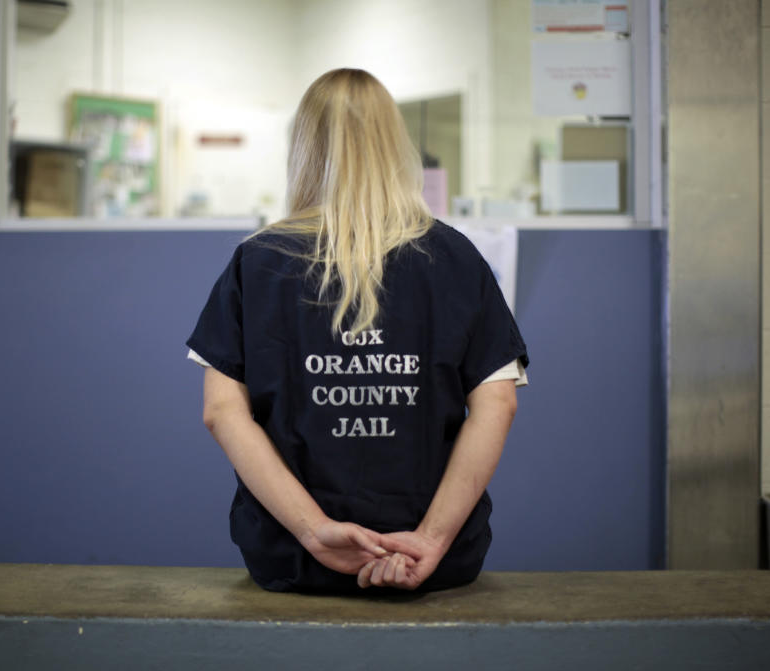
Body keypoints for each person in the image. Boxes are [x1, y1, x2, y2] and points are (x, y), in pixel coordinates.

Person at [186, 68, 528, 593]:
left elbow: (221, 412)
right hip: (436, 560)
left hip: (294, 558)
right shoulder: (457, 258)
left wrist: (315, 533)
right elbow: (497, 405)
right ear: (396, 144)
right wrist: (431, 541)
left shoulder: (257, 262)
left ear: (302, 148)